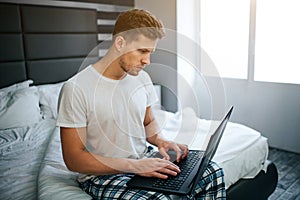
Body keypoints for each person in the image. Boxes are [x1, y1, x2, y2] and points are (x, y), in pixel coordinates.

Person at [56, 8, 226, 199]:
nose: (147, 60)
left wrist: (161, 141)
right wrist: (134, 166)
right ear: (120, 43)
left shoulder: (142, 78)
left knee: (213, 172)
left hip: (144, 158)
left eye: (150, 52)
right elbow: (73, 159)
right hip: (103, 175)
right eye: (142, 51)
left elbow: (148, 122)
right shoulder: (76, 88)